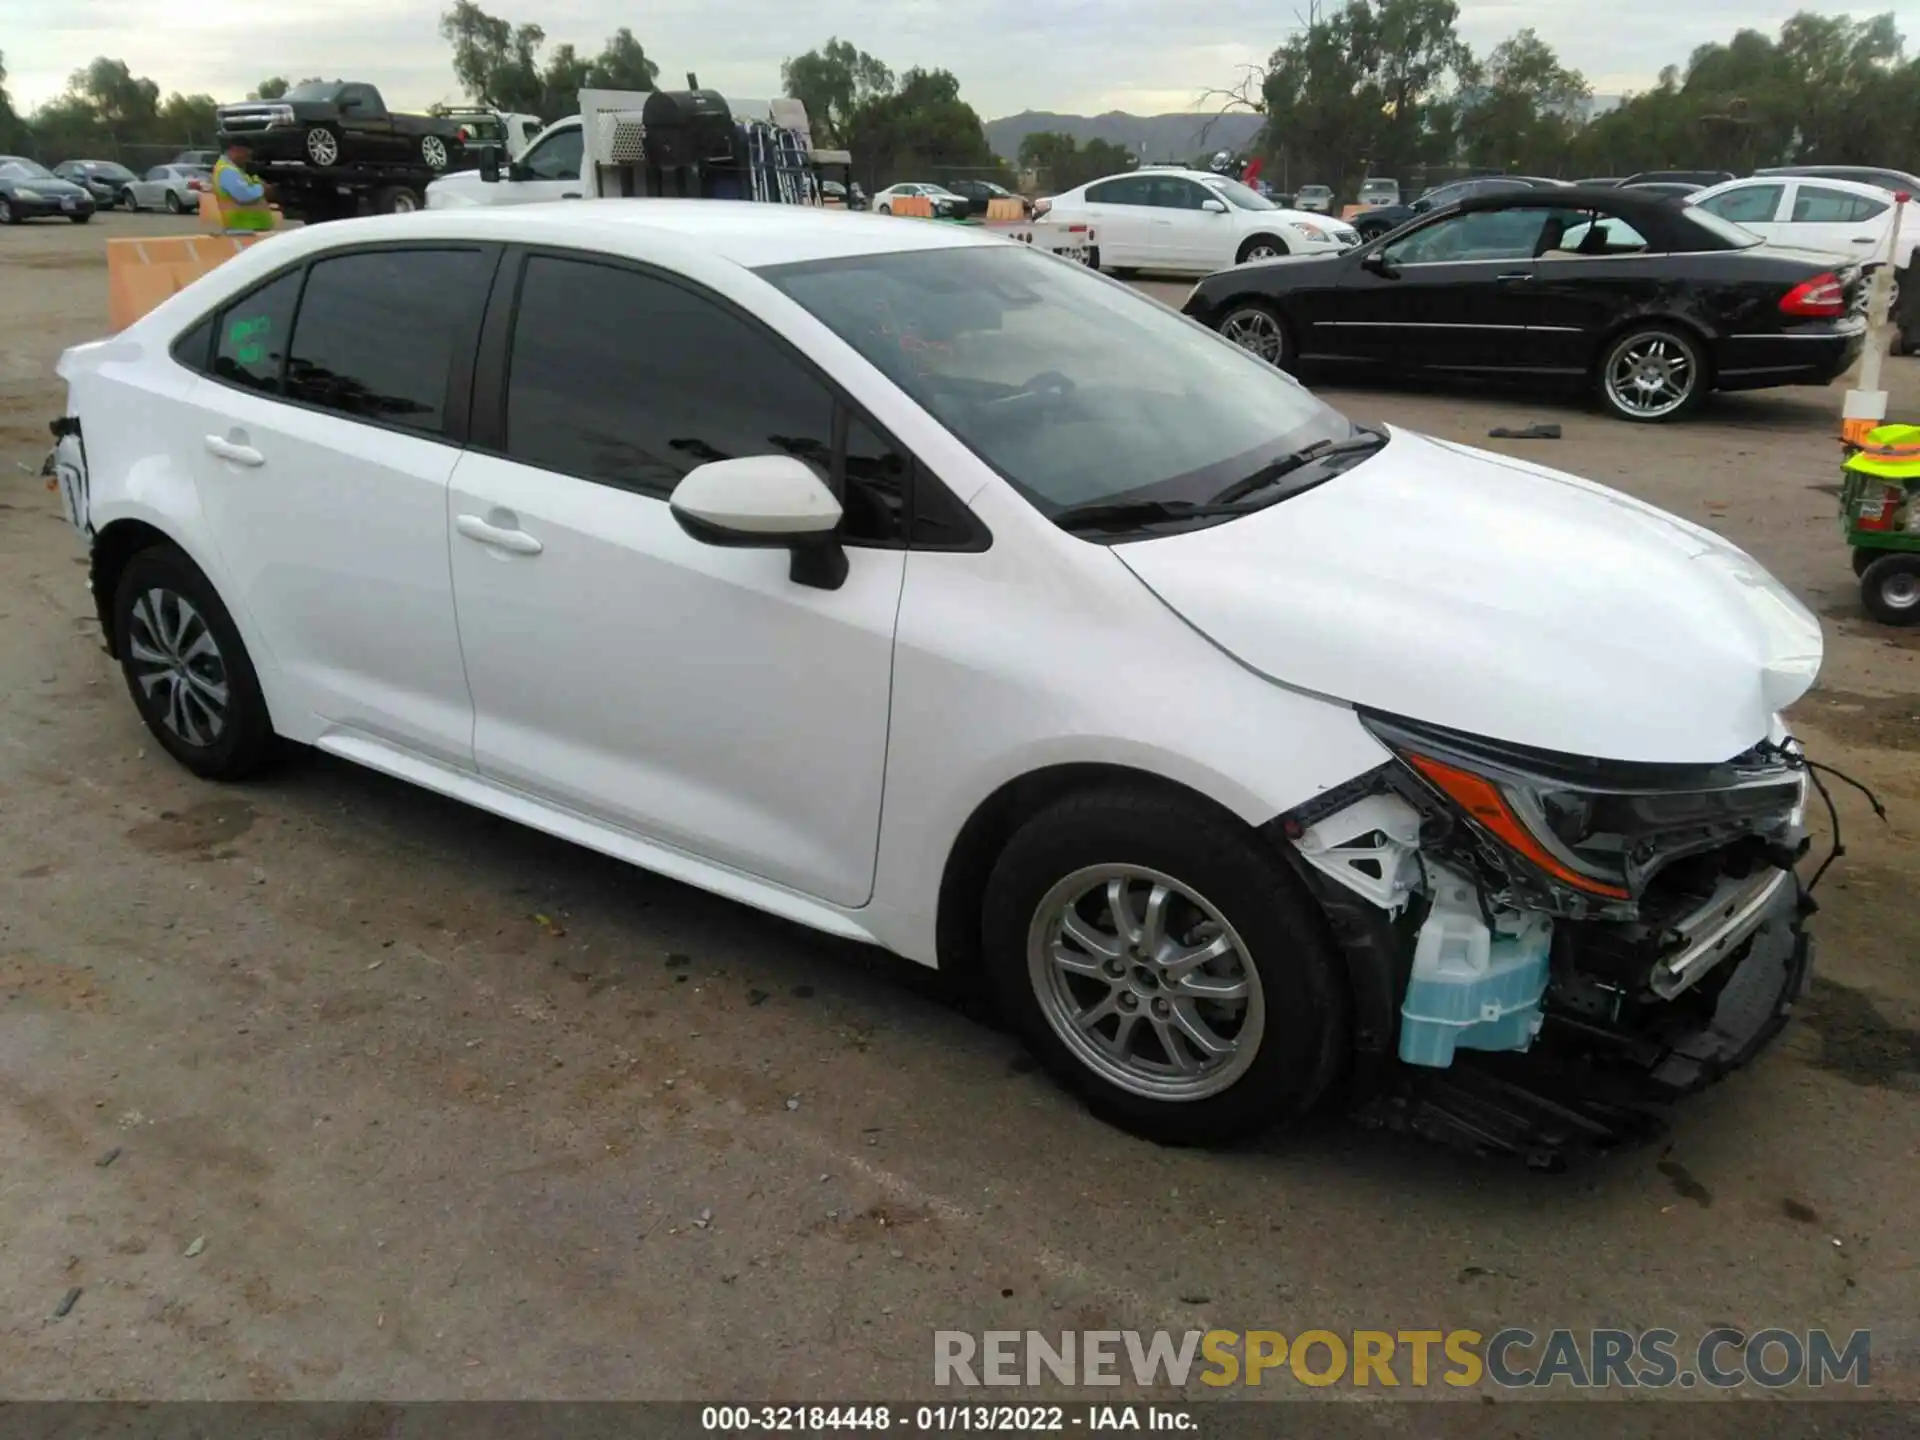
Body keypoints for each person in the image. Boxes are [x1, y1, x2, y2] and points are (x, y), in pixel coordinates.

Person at [210, 139, 274, 233]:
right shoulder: (227, 170)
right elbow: (243, 195)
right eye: (246, 154)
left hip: (248, 228)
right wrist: (262, 188)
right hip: (243, 228)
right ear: (236, 150)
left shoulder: (235, 170)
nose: (247, 159)